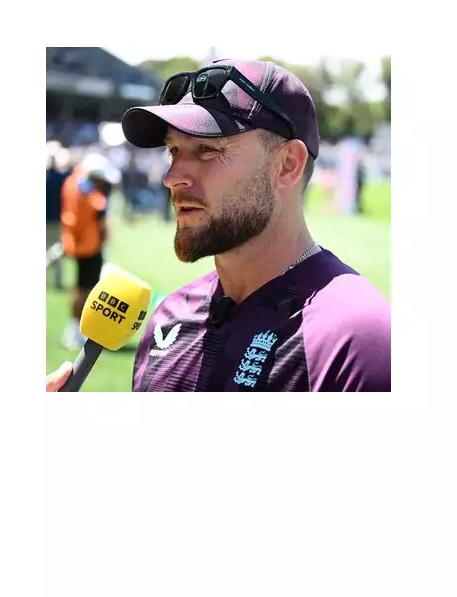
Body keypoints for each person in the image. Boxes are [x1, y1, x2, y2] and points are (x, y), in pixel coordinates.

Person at [48, 59, 390, 391]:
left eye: (207, 149)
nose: (171, 177)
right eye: (173, 151)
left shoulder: (355, 341)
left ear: (287, 165)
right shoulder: (168, 320)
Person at [58, 151, 119, 351]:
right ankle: (78, 329)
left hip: (78, 242)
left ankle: (75, 329)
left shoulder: (72, 183)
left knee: (81, 287)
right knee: (86, 289)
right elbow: (99, 218)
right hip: (89, 245)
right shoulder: (89, 192)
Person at [46, 144, 71, 290]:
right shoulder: (61, 178)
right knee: (57, 250)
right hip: (57, 219)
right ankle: (57, 280)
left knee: (52, 249)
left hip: (48, 219)